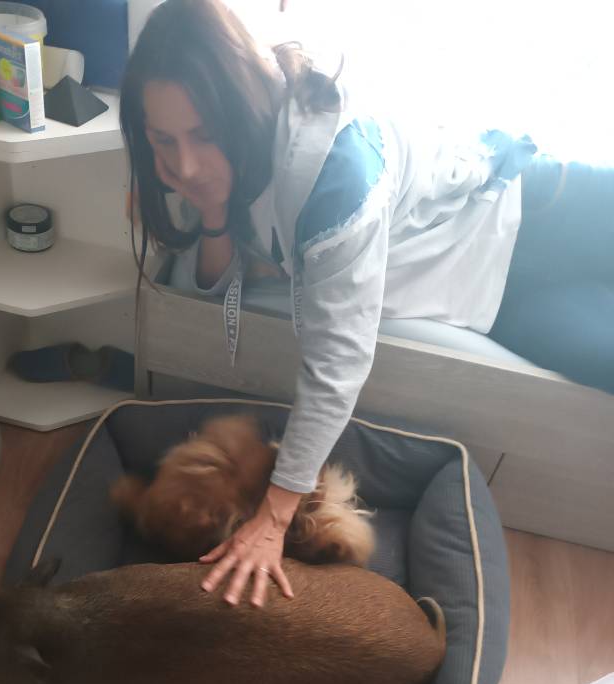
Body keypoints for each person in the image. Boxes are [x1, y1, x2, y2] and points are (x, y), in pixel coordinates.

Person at [120, 0, 614, 606]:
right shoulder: (229, 161)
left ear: (242, 111)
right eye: (163, 139)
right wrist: (212, 206)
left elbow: (337, 366)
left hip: (535, 212)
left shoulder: (333, 175)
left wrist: (273, 518)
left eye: (203, 135)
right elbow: (213, 287)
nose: (185, 164)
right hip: (490, 294)